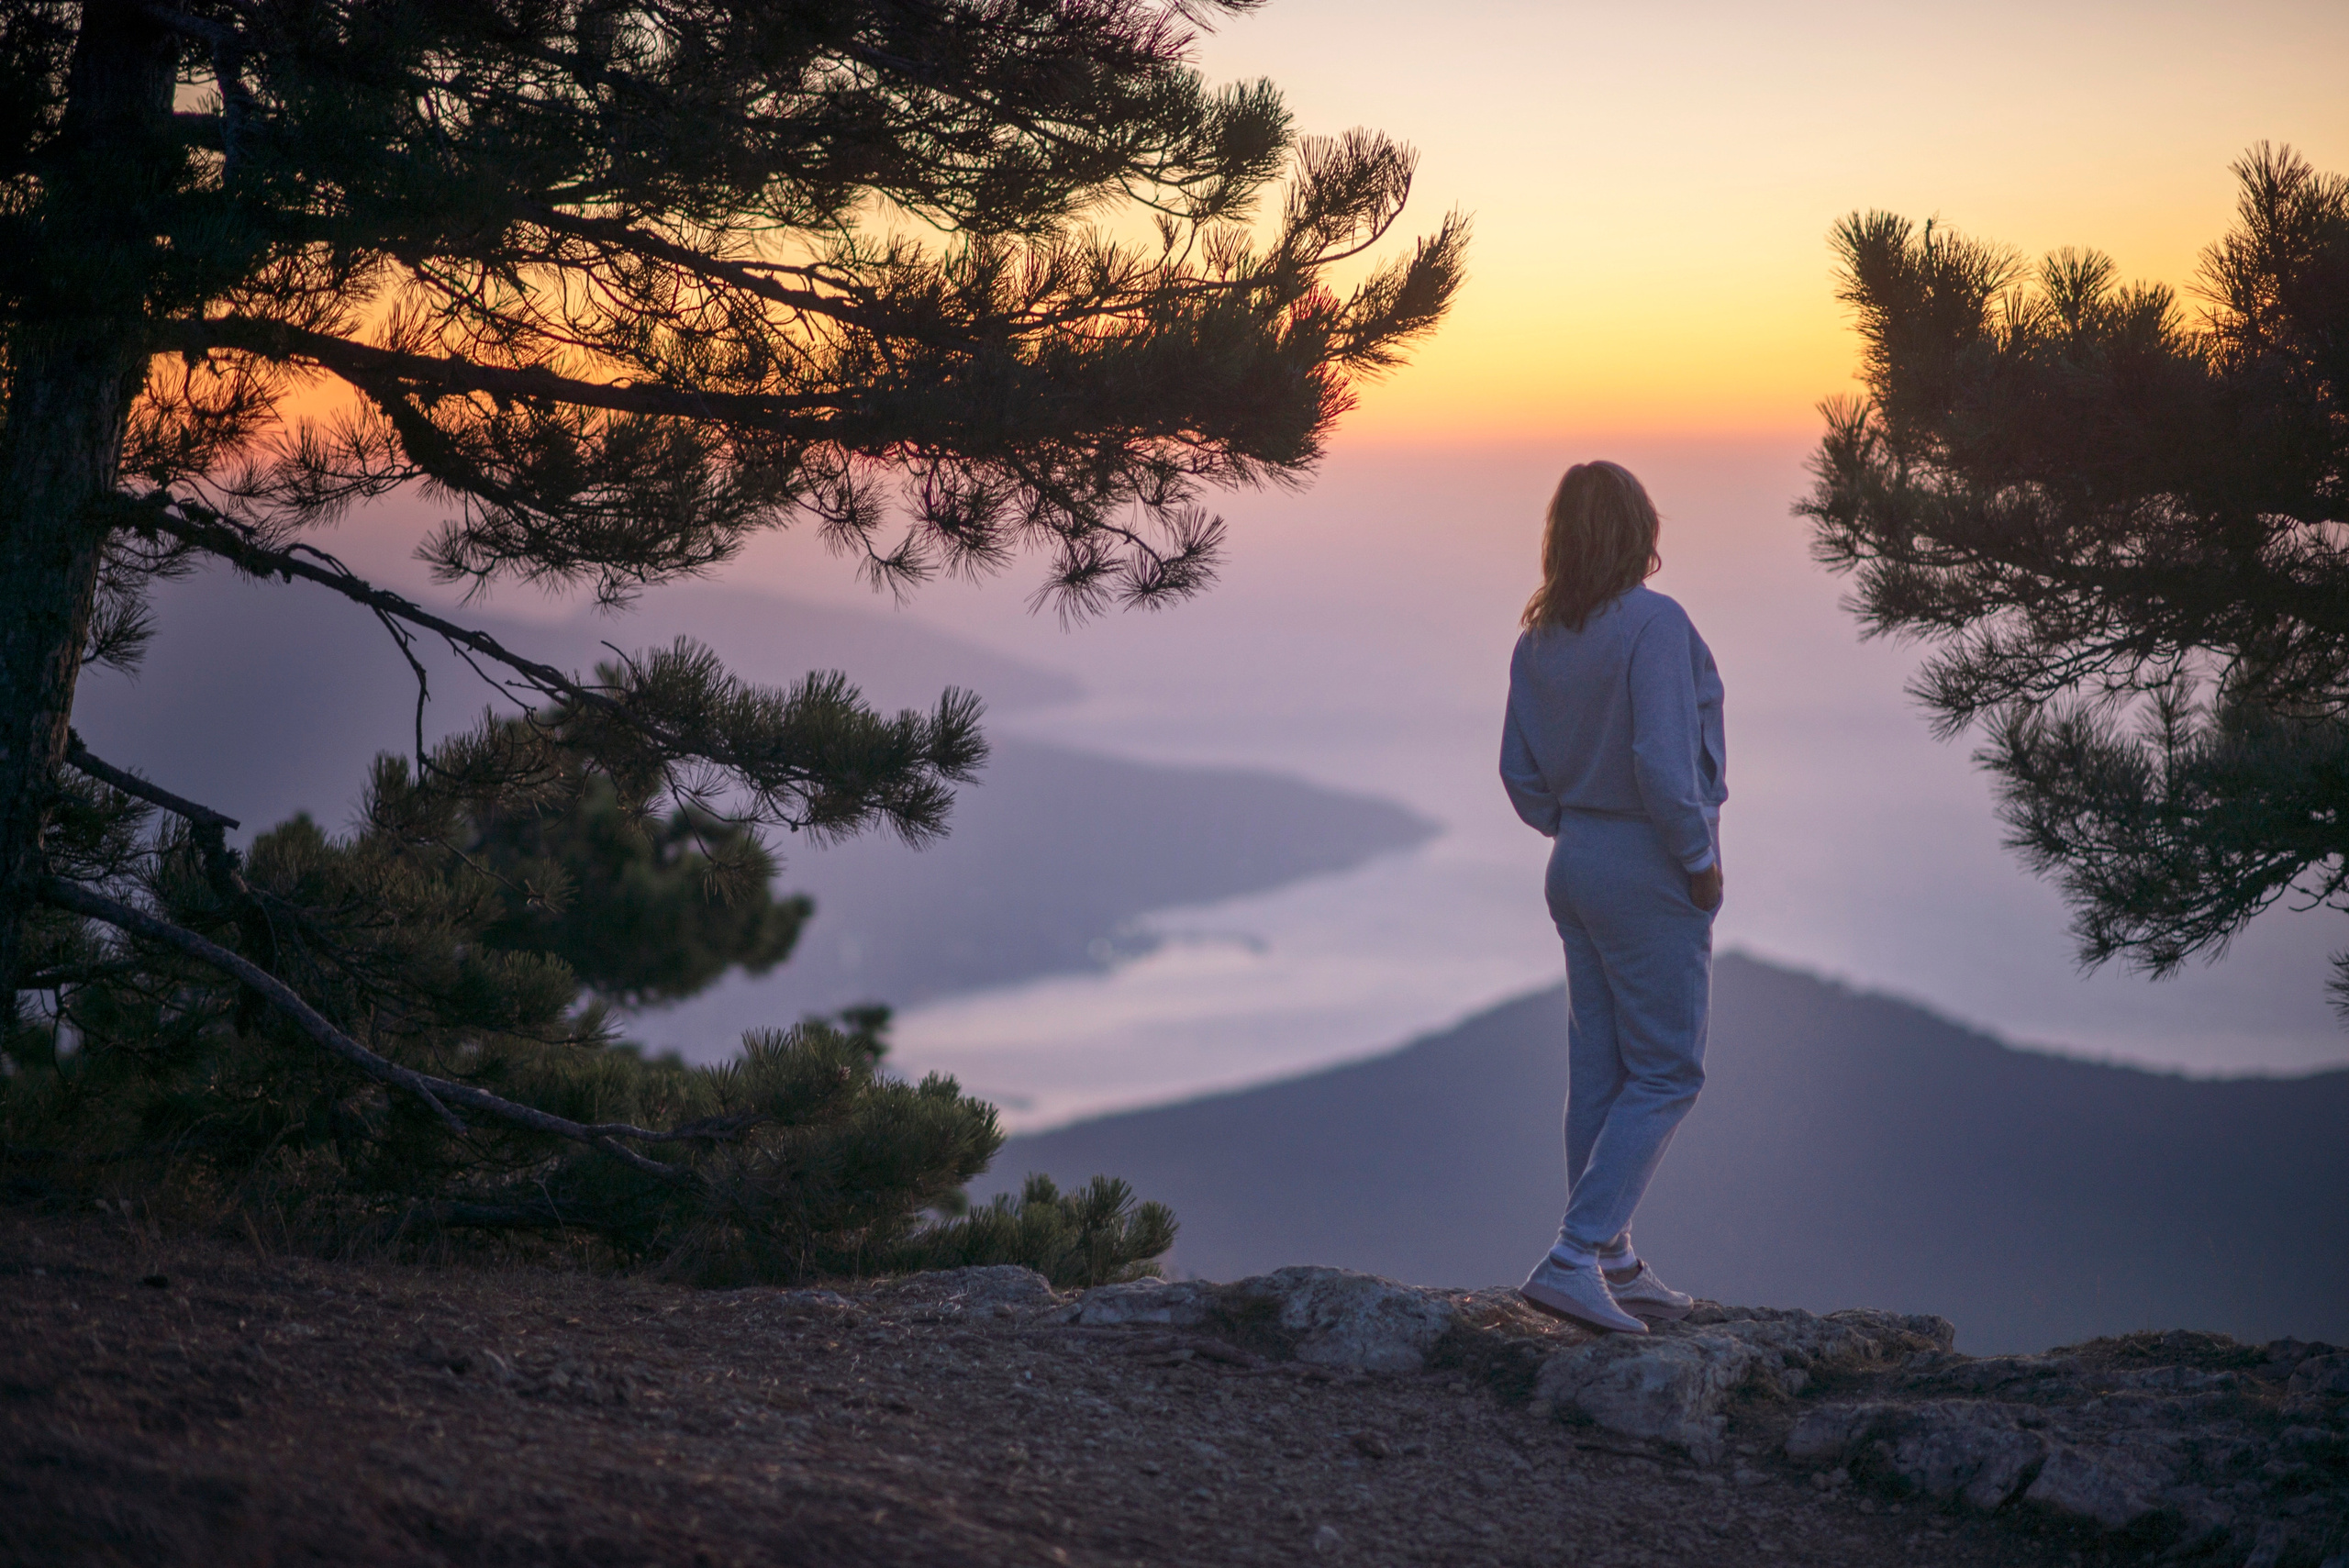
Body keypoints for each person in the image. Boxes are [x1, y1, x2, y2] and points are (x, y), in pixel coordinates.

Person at [1500, 461, 1725, 1336]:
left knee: (1598, 1066)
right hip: (1645, 861)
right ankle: (1573, 1253)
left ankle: (1612, 1258)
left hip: (1576, 857)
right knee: (1669, 1068)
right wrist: (1696, 859)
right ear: (1640, 530)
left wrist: (1579, 824)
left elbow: (1520, 777)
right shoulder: (1655, 626)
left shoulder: (1539, 638)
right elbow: (1667, 765)